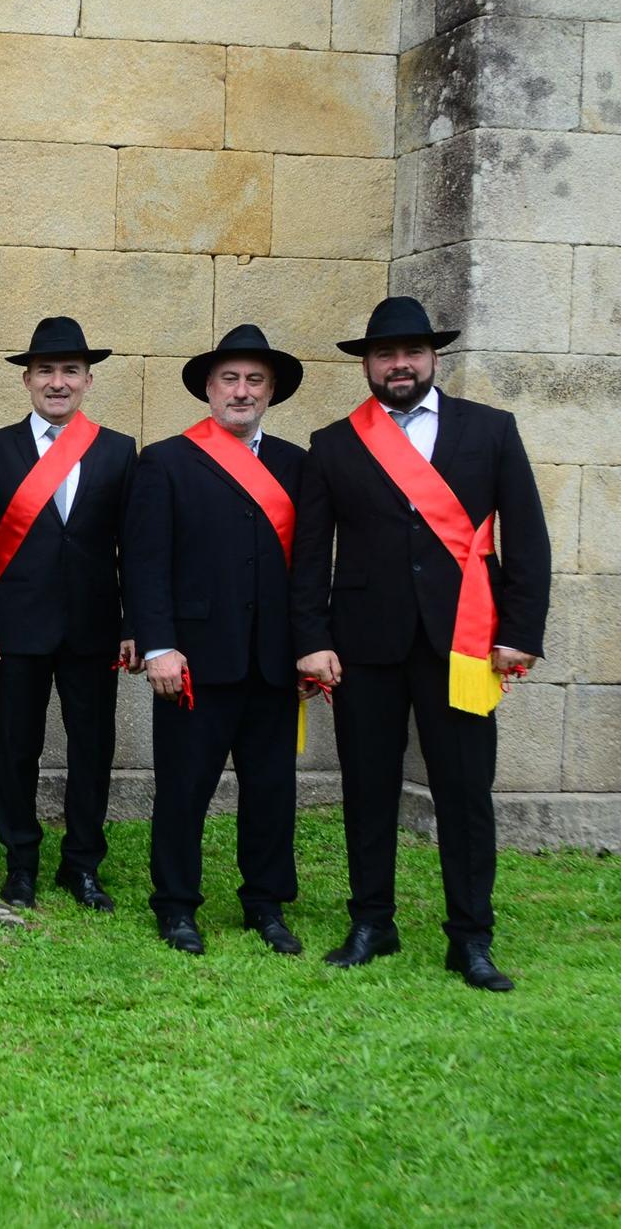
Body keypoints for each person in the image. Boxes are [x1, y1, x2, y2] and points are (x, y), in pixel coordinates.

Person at [292, 296, 550, 992]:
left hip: (463, 643)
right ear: (367, 364)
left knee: (465, 793)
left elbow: (526, 539)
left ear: (434, 357)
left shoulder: (490, 431)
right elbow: (312, 554)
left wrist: (519, 633)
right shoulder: (334, 443)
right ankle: (372, 920)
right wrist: (311, 638)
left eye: (410, 352)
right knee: (367, 789)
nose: (398, 364)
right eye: (384, 354)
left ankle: (470, 937)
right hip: (364, 644)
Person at [125, 326, 307, 957]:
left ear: (272, 391)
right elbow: (145, 564)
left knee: (271, 790)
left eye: (255, 380)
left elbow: (309, 569)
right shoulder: (167, 461)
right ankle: (176, 905)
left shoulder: (294, 465)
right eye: (229, 379)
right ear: (207, 388)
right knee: (183, 789)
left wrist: (310, 643)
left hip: (274, 660)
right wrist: (158, 647)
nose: (241, 391)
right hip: (194, 661)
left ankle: (266, 904)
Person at [0, 316, 136, 911]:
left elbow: (132, 548)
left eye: (70, 372)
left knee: (92, 748)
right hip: (15, 629)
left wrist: (135, 626)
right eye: (46, 372)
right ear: (27, 380)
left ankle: (82, 864)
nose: (57, 382)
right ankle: (21, 863)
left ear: (87, 381)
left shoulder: (116, 450)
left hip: (93, 629)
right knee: (17, 749)